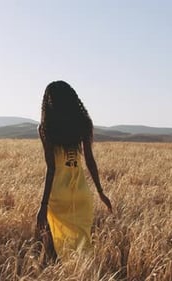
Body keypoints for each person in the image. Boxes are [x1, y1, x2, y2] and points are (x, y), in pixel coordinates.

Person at [36, 80, 113, 260]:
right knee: (83, 246)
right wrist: (101, 192)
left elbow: (51, 168)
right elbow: (90, 161)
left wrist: (43, 205)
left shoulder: (45, 128)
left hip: (58, 196)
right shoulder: (83, 124)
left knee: (54, 246)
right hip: (81, 195)